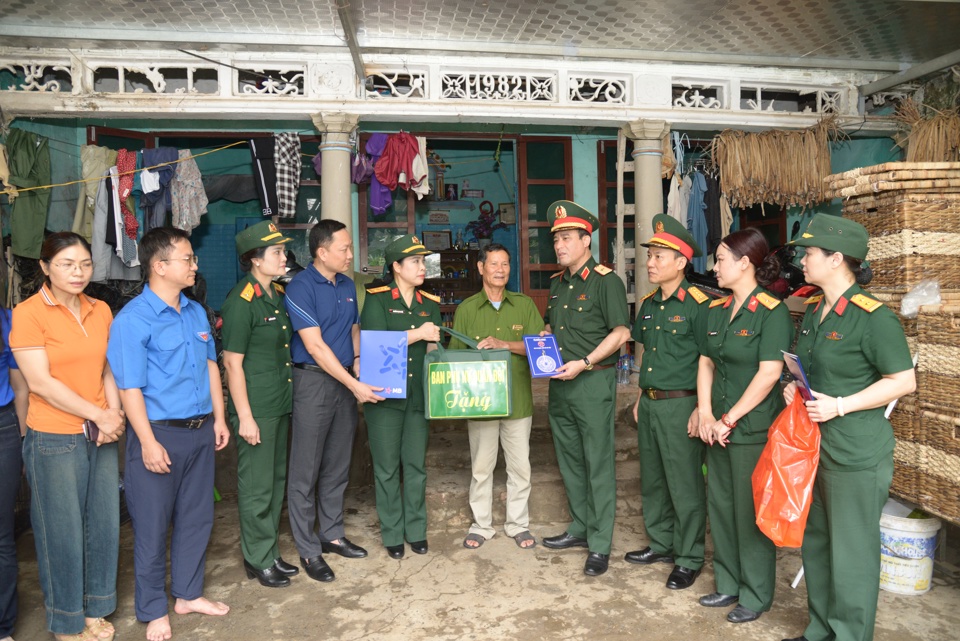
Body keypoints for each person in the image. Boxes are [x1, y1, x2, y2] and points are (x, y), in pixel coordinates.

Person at [781, 214, 915, 641]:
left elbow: (903, 381)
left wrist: (841, 405)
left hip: (856, 452)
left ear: (837, 259)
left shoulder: (873, 318)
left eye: (810, 253)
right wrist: (794, 389)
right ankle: (820, 628)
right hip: (816, 448)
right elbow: (815, 371)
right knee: (817, 543)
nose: (803, 260)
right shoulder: (817, 310)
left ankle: (850, 634)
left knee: (852, 552)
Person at [107, 227, 230, 641]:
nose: (194, 265)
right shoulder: (133, 320)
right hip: (158, 434)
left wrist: (220, 418)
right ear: (159, 266)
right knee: (152, 526)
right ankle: (153, 609)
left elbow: (212, 366)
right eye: (188, 259)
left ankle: (188, 595)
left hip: (200, 431)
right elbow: (129, 388)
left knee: (197, 518)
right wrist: (146, 441)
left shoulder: (195, 311)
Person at [10, 232, 125, 641]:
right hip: (54, 436)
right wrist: (98, 413)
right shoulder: (28, 313)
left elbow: (108, 369)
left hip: (101, 433)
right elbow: (39, 382)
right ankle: (67, 621)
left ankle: (95, 609)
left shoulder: (101, 309)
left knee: (103, 524)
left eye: (85, 264)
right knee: (61, 531)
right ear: (45, 268)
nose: (78, 273)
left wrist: (113, 414)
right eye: (66, 264)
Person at [694, 228, 794, 624]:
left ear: (744, 263)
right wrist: (704, 413)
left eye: (720, 259)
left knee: (750, 514)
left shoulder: (773, 310)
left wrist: (729, 418)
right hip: (715, 428)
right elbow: (705, 361)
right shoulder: (716, 310)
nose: (714, 266)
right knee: (720, 507)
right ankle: (728, 583)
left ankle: (754, 593)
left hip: (749, 430)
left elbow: (769, 373)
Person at [284, 220, 383, 581]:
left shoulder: (345, 284)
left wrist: (357, 363)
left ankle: (332, 534)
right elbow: (314, 345)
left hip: (343, 380)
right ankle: (308, 550)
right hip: (313, 382)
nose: (350, 254)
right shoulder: (299, 287)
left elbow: (352, 329)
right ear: (322, 252)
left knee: (338, 464)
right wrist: (353, 385)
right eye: (343, 248)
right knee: (305, 470)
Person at [540, 201, 630, 577]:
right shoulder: (557, 284)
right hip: (560, 385)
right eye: (556, 239)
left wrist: (587, 362)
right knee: (571, 462)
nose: (559, 245)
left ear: (585, 240)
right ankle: (579, 527)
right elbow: (550, 328)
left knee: (597, 463)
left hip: (592, 383)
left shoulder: (606, 281)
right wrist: (542, 343)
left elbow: (621, 332)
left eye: (565, 238)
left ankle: (599, 543)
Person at [626, 214, 709, 591]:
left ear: (682, 262)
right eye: (650, 256)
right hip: (653, 403)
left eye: (660, 256)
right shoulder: (647, 305)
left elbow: (710, 362)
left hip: (683, 405)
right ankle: (661, 544)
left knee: (684, 484)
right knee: (654, 480)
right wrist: (642, 396)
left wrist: (701, 408)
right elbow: (650, 354)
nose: (651, 263)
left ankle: (689, 557)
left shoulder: (698, 305)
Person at [448, 243, 544, 550]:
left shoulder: (524, 305)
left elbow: (537, 347)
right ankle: (481, 525)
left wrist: (504, 344)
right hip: (481, 404)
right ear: (480, 268)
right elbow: (454, 359)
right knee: (481, 467)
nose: (500, 270)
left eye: (505, 264)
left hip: (518, 400)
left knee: (520, 467)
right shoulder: (466, 309)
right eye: (494, 264)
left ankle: (518, 524)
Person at [220, 221, 297, 588]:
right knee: (256, 487)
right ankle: (257, 557)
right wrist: (245, 417)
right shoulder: (241, 302)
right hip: (256, 409)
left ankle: (268, 552)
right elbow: (232, 363)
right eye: (277, 252)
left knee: (275, 481)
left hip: (278, 404)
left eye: (283, 251)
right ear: (254, 259)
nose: (284, 257)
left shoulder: (274, 295)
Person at [361, 235, 441, 558]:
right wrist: (419, 334)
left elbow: (433, 350)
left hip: (419, 396)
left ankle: (416, 529)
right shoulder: (377, 299)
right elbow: (376, 344)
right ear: (396, 267)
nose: (422, 267)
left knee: (416, 465)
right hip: (384, 397)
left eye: (423, 261)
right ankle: (393, 532)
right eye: (415, 262)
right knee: (387, 467)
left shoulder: (430, 304)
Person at [0, 306, 27, 641]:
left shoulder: (8, 320)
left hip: (4, 427)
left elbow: (21, 387)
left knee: (1, 535)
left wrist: (22, 440)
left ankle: (3, 628)